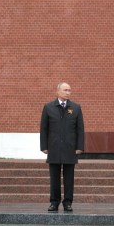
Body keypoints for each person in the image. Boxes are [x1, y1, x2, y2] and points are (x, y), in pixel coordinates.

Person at [40, 82, 85, 213]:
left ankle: (68, 202)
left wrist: (80, 146)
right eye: (65, 90)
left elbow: (80, 129)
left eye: (69, 90)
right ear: (58, 91)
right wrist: (44, 146)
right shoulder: (48, 107)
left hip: (70, 148)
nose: (68, 92)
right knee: (54, 177)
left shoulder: (75, 108)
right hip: (53, 148)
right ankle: (54, 202)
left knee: (69, 177)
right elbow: (44, 129)